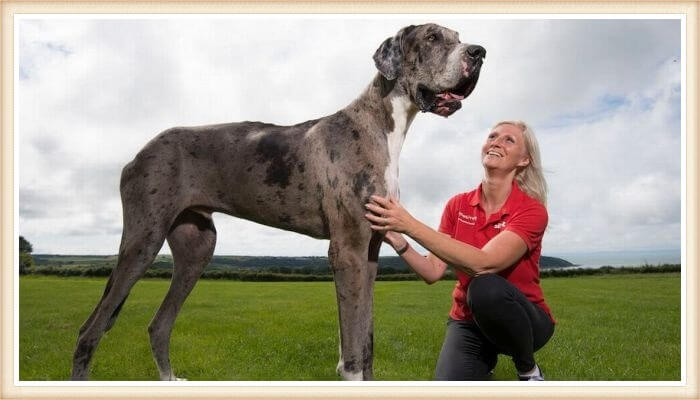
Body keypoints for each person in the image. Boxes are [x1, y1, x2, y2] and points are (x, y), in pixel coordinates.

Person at [364, 120, 554, 381]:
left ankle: (528, 371)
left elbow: (485, 263)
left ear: (524, 160)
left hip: (525, 322)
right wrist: (399, 240)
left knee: (485, 286)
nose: (496, 142)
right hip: (468, 321)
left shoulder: (531, 210)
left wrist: (408, 223)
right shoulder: (458, 205)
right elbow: (432, 271)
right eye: (492, 136)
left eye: (509, 140)